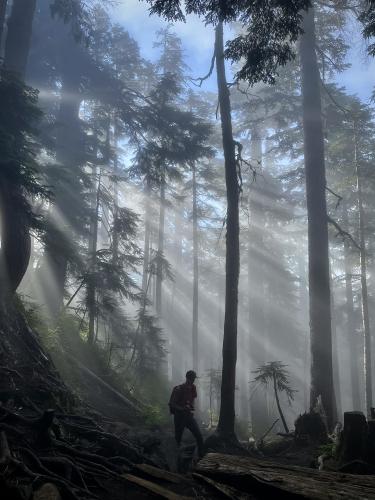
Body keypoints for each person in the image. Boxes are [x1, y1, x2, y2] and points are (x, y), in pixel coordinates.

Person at [169, 370, 204, 458]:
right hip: (179, 417)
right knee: (178, 438)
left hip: (188, 416)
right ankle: (176, 459)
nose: (193, 380)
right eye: (191, 378)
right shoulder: (179, 389)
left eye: (193, 378)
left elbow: (192, 399)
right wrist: (182, 408)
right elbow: (172, 403)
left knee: (199, 436)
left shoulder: (193, 388)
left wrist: (191, 406)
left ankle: (201, 457)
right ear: (187, 378)